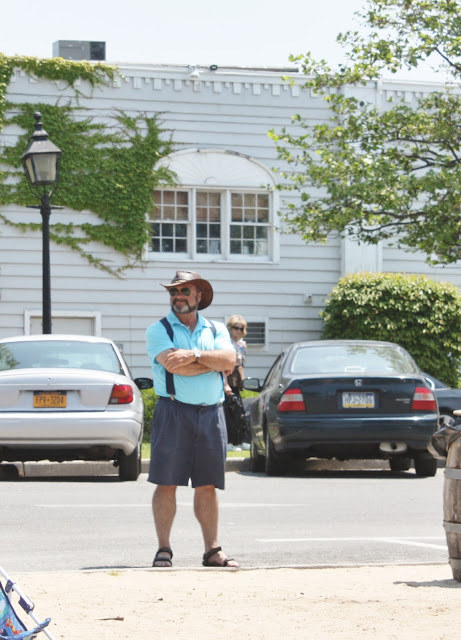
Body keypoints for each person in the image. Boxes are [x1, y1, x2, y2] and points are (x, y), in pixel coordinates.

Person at [145, 270, 239, 569]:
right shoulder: (158, 330)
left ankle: (213, 550)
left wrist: (194, 355)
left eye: (185, 291)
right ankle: (164, 549)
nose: (178, 296)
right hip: (173, 412)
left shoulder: (216, 328)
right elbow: (175, 367)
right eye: (173, 291)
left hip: (211, 413)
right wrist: (211, 362)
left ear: (199, 295)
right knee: (166, 483)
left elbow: (230, 360)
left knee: (208, 485)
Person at [223, 315, 249, 447]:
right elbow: (223, 365)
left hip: (236, 378)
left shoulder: (241, 344)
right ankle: (229, 441)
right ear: (230, 328)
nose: (238, 331)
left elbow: (241, 364)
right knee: (228, 410)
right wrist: (225, 384)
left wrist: (243, 381)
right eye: (236, 328)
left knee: (238, 410)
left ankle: (240, 440)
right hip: (227, 376)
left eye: (241, 328)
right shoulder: (225, 343)